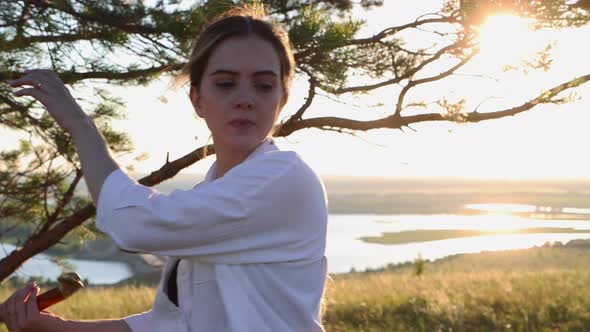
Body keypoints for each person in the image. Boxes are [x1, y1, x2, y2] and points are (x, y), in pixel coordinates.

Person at [0, 5, 329, 332]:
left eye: (264, 85)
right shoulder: (212, 197)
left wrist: (80, 125)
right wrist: (54, 328)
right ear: (197, 99)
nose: (245, 98)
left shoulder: (285, 178)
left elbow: (132, 223)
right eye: (226, 83)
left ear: (282, 100)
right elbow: (169, 323)